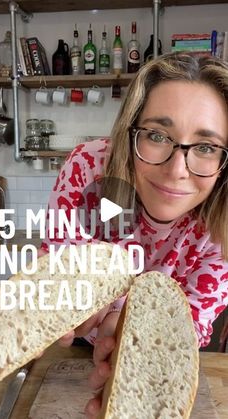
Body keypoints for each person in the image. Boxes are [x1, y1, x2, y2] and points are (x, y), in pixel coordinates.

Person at [40, 52, 228, 418]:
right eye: (157, 135)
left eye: (206, 147)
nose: (177, 171)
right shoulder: (88, 169)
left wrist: (129, 331)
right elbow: (62, 270)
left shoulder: (223, 216)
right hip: (80, 346)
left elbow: (191, 321)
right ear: (131, 131)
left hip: (167, 349)